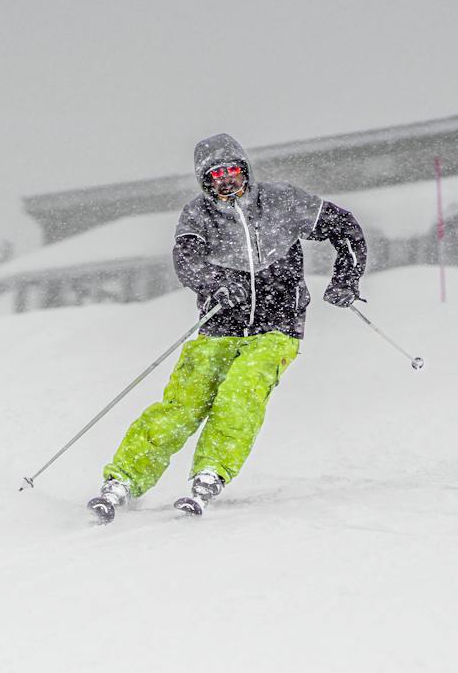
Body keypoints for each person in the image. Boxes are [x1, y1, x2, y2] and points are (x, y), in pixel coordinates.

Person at [88, 133, 368, 520]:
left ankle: (211, 471)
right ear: (205, 181)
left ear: (246, 170)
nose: (226, 180)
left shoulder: (283, 201)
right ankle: (124, 478)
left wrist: (345, 280)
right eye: (215, 174)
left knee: (241, 392)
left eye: (233, 170)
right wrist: (213, 281)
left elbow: (345, 228)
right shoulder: (197, 215)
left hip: (278, 325)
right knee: (183, 404)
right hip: (220, 325)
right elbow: (186, 260)